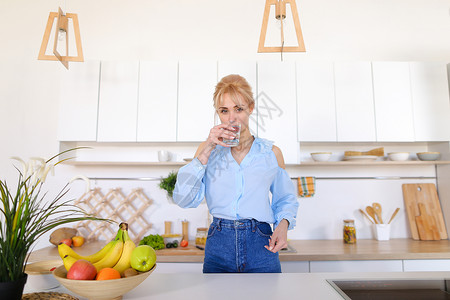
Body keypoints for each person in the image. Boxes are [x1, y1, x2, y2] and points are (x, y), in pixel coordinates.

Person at [173, 74, 298, 273]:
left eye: (238, 109)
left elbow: (286, 199)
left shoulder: (271, 153)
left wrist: (283, 225)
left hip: (261, 245)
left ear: (250, 108)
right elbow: (183, 199)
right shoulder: (207, 151)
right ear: (218, 114)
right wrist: (207, 149)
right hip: (219, 245)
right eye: (224, 111)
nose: (231, 118)